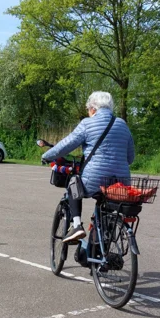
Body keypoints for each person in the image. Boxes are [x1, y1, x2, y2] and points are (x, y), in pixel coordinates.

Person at [41, 91, 135, 243]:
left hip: (95, 179)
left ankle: (77, 225)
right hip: (121, 181)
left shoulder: (87, 123)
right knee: (108, 206)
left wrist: (47, 156)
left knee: (73, 183)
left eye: (87, 109)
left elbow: (66, 145)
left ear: (92, 108)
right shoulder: (122, 125)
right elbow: (130, 158)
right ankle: (104, 243)